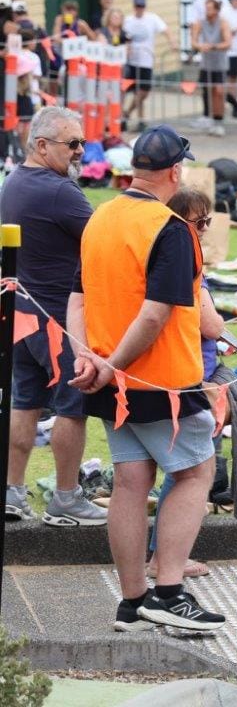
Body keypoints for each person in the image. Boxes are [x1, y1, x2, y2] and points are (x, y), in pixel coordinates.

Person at [67, 125, 225, 633]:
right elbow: (157, 315)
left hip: (110, 380)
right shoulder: (171, 226)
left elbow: (77, 299)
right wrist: (108, 363)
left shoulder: (101, 216)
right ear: (177, 172)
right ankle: (169, 592)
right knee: (196, 473)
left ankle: (132, 601)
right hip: (160, 382)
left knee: (131, 484)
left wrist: (86, 357)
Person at [0, 108, 108, 527]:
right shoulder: (60, 191)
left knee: (24, 404)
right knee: (71, 407)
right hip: (58, 318)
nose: (80, 152)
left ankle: (12, 491)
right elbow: (103, 240)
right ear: (41, 145)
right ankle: (66, 498)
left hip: (23, 314)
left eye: (82, 143)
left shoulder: (14, 181)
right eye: (72, 144)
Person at [147, 187, 224, 580]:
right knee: (190, 475)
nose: (205, 230)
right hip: (188, 380)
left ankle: (163, 559)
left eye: (208, 221)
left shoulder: (160, 255)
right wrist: (221, 325)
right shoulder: (185, 263)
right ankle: (167, 563)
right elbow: (210, 323)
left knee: (169, 474)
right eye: (200, 223)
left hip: (175, 376)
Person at [123, 0, 177, 133]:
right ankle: (140, 119)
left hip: (146, 60)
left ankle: (127, 113)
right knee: (132, 91)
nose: (140, 9)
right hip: (131, 61)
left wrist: (172, 42)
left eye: (142, 6)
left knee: (143, 91)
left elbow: (166, 30)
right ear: (134, 7)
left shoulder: (152, 18)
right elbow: (125, 37)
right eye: (137, 6)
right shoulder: (128, 20)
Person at [191, 0, 232, 136]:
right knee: (207, 91)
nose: (207, 11)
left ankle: (219, 121)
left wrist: (214, 46)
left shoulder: (223, 23)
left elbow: (228, 43)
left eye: (209, 8)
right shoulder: (200, 22)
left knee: (219, 92)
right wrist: (200, 46)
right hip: (206, 62)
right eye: (206, 8)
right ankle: (208, 118)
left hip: (219, 63)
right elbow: (194, 41)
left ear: (216, 10)